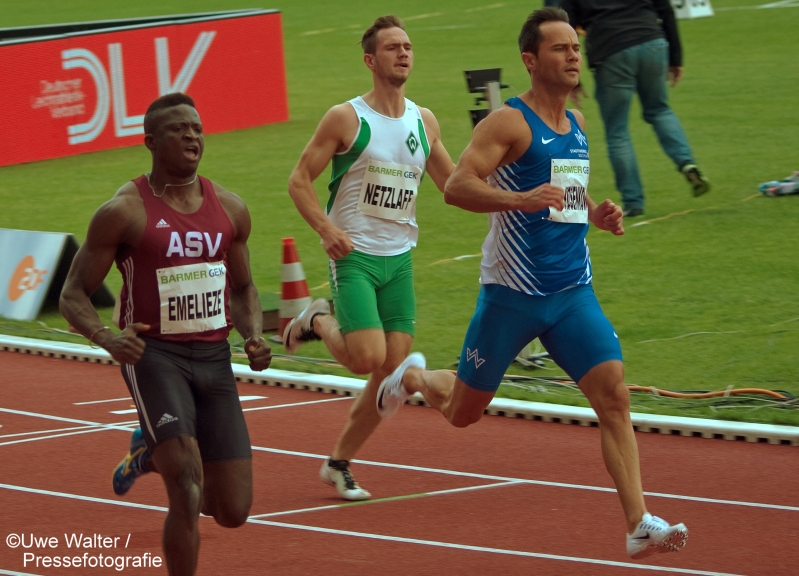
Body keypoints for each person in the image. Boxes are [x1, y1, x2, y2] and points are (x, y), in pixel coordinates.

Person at [376, 8, 688, 559]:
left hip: (572, 294)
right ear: (531, 60)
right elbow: (455, 186)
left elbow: (566, 192)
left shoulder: (579, 125)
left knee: (613, 395)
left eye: (575, 47)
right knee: (464, 414)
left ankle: (638, 522)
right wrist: (519, 199)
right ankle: (416, 377)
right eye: (560, 49)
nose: (573, 57)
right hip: (510, 298)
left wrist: (595, 214)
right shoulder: (508, 124)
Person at [59, 92, 272, 576]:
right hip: (155, 358)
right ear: (151, 142)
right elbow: (74, 292)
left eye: (197, 127)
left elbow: (244, 288)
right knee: (189, 485)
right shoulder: (125, 211)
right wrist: (107, 339)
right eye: (179, 129)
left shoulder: (231, 210)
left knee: (233, 510)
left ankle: (148, 452)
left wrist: (253, 335)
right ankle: (167, 459)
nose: (193, 136)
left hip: (215, 359)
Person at [284, 15, 454, 501]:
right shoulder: (347, 118)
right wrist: (326, 228)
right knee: (366, 358)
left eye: (408, 46)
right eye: (392, 47)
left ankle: (338, 463)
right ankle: (317, 318)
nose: (403, 53)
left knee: (392, 371)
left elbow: (453, 183)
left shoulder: (424, 121)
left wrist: (514, 185)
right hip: (354, 256)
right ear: (370, 59)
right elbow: (299, 180)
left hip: (399, 260)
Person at [558, 0, 710, 217]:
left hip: (610, 49)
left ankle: (633, 202)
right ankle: (687, 163)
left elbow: (566, 29)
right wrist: (675, 57)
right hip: (652, 42)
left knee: (617, 132)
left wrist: (571, 76)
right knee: (659, 110)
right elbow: (666, 10)